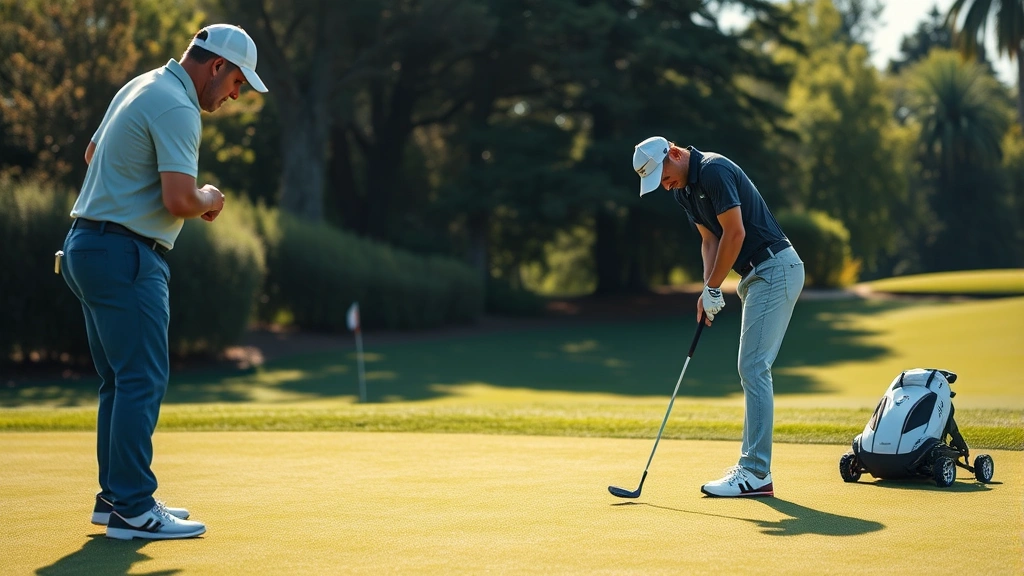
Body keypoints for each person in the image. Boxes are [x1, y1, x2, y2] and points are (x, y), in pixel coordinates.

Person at [60, 24, 268, 540]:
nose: (236, 95)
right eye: (238, 82)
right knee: (141, 379)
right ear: (217, 66)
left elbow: (93, 156)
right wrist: (210, 197)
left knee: (119, 380)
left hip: (87, 246)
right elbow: (179, 201)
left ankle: (116, 500)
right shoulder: (178, 106)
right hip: (125, 253)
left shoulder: (142, 83)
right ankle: (132, 507)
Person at [632, 136, 804, 498]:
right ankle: (753, 468)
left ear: (674, 155)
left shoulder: (714, 170)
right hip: (756, 276)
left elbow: (736, 232)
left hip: (775, 268)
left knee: (753, 366)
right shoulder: (684, 191)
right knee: (752, 366)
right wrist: (707, 289)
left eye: (663, 177)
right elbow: (710, 240)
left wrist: (714, 287)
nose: (665, 187)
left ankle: (756, 472)